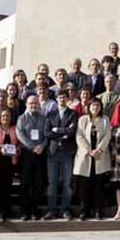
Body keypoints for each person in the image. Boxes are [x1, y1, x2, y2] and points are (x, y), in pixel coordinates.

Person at [43, 89, 79, 220]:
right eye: (59, 97)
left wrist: (57, 130)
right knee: (52, 183)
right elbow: (46, 132)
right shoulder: (50, 114)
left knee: (67, 183)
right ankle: (51, 210)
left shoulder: (73, 114)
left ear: (67, 99)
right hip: (52, 152)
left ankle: (65, 209)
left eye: (64, 97)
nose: (62, 99)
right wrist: (63, 133)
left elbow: (72, 131)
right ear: (56, 99)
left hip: (67, 152)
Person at [74, 99, 111, 220]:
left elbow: (107, 136)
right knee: (84, 186)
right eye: (93, 105)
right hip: (86, 157)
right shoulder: (83, 119)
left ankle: (98, 211)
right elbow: (79, 136)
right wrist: (89, 151)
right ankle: (84, 211)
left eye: (98, 105)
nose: (95, 107)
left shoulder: (105, 119)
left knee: (98, 186)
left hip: (100, 156)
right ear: (89, 107)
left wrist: (99, 150)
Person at [16, 95, 47, 221]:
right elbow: (20, 134)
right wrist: (32, 147)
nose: (33, 105)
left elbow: (47, 134)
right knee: (25, 184)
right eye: (31, 103)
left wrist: (42, 146)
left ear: (39, 104)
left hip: (40, 154)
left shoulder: (44, 118)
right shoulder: (22, 118)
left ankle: (34, 210)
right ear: (27, 104)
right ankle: (24, 211)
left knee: (38, 183)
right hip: (27, 154)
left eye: (35, 103)